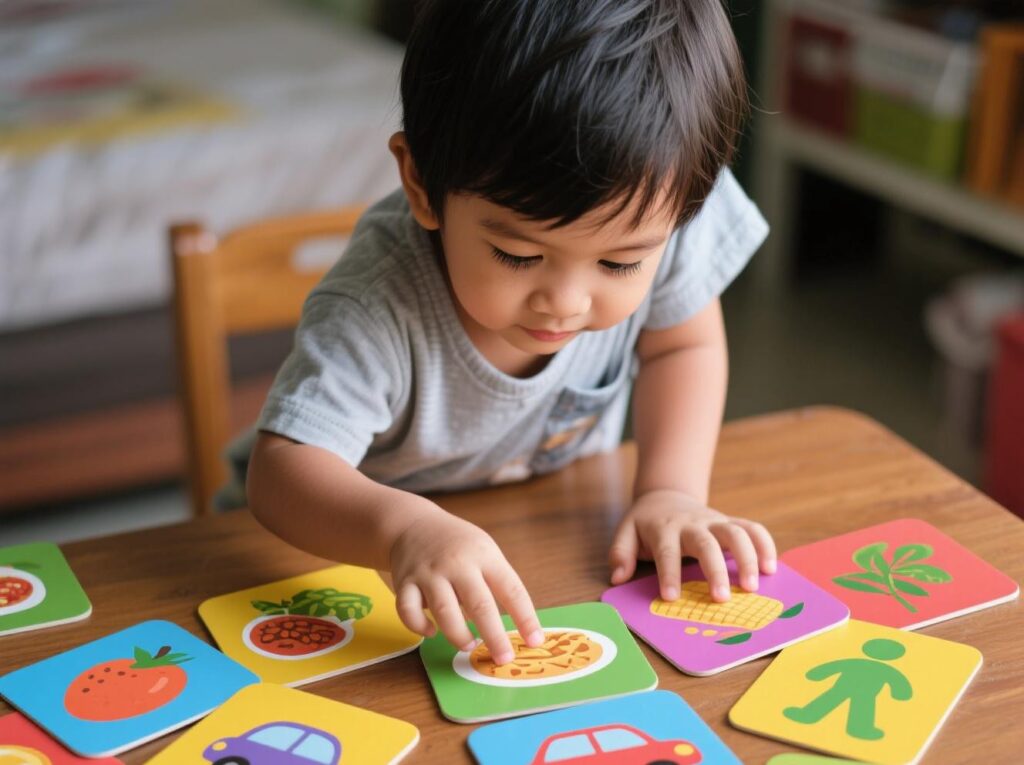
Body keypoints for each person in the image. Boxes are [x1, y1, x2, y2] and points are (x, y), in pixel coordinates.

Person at [244, 0, 777, 666]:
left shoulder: (657, 191)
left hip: (537, 532)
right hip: (339, 554)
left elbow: (682, 344)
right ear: (420, 182)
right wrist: (403, 527)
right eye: (519, 256)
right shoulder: (378, 302)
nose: (567, 301)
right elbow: (280, 474)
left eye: (620, 263)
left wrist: (670, 489)